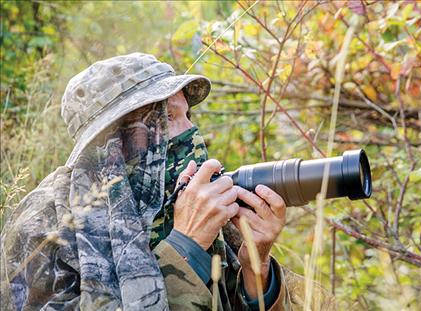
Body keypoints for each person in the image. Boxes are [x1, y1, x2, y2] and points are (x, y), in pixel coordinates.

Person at [0, 53, 293, 310]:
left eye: (188, 115)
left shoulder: (176, 202)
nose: (193, 131)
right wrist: (185, 247)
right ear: (115, 142)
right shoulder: (45, 225)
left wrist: (256, 269)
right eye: (168, 117)